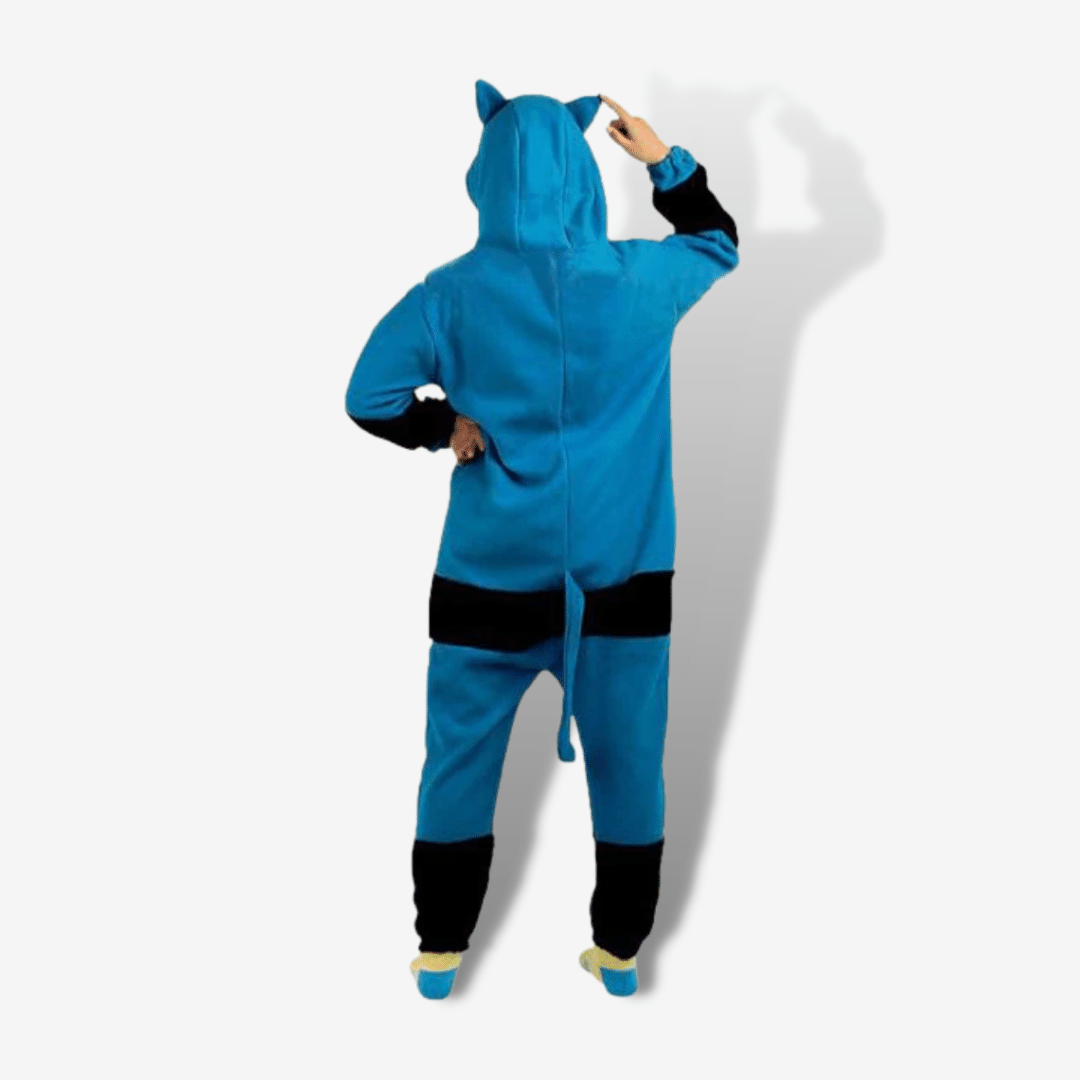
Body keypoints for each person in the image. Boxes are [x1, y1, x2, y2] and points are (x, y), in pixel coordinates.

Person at [345, 81, 739, 998]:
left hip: (487, 578)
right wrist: (664, 162)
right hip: (623, 578)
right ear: (583, 177)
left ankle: (439, 952)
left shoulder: (449, 295)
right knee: (631, 765)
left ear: (484, 173)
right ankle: (620, 952)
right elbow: (716, 242)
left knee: (458, 761)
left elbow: (368, 395)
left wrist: (443, 427)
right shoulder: (637, 282)